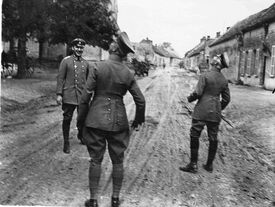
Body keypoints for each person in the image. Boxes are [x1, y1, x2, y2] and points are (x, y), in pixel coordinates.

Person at [77, 32, 146, 207]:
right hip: (119, 122)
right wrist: (138, 120)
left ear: (113, 49)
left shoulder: (97, 67)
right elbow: (141, 100)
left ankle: (93, 200)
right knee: (118, 161)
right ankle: (115, 199)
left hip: (95, 120)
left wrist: (82, 121)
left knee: (95, 160)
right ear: (122, 53)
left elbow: (85, 98)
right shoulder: (128, 73)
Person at [179, 52, 231, 173]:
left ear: (217, 63)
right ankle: (209, 165)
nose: (214, 58)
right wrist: (218, 108)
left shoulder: (205, 75)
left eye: (216, 57)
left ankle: (193, 165)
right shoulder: (224, 80)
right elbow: (227, 99)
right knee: (213, 137)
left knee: (194, 135)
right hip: (215, 114)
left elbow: (197, 93)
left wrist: (188, 99)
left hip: (201, 111)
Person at [56, 38, 89, 154]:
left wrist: (88, 95)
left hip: (81, 96)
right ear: (73, 48)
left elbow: (88, 81)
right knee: (67, 119)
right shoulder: (66, 61)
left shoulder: (85, 63)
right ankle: (66, 142)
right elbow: (60, 78)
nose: (79, 50)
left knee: (82, 118)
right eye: (77, 47)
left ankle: (81, 135)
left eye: (81, 48)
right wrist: (59, 94)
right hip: (69, 95)